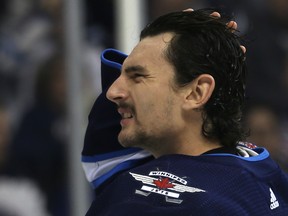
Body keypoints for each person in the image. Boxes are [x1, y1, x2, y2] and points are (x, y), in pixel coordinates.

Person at [82, 8, 288, 215]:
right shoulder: (257, 166)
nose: (113, 92)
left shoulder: (153, 203)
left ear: (197, 92)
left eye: (137, 76)